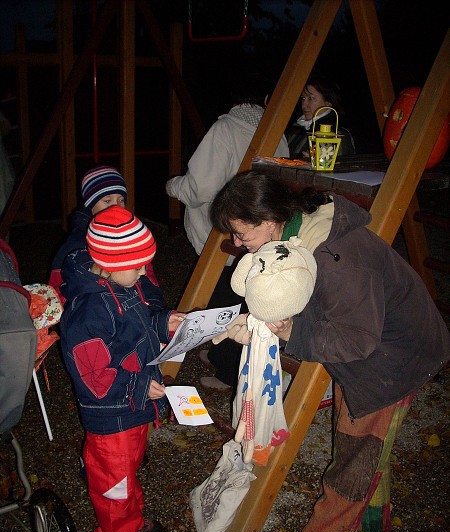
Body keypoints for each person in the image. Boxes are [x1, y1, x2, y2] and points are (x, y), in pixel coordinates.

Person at [209, 170, 449, 532]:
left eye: (240, 232)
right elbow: (299, 294)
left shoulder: (337, 257)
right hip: (374, 340)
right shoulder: (296, 235)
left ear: (268, 219)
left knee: (355, 453)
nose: (237, 243)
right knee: (370, 449)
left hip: (392, 359)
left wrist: (290, 332)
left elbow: (356, 342)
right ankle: (373, 526)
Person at [59, 205, 185, 532]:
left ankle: (130, 523)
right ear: (109, 263)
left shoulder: (119, 285)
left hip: (130, 411)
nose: (145, 272)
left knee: (127, 472)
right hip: (111, 417)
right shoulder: (89, 312)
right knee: (113, 483)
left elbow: (137, 328)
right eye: (139, 265)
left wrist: (164, 323)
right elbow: (95, 377)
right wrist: (141, 384)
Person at [166, 87, 290, 391]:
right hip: (261, 231)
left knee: (225, 295)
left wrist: (173, 186)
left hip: (221, 234)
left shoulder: (224, 129)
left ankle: (229, 369)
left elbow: (201, 188)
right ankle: (224, 353)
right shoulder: (277, 133)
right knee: (244, 293)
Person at [49, 164, 158, 304]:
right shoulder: (76, 246)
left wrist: (154, 306)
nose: (116, 207)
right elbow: (59, 292)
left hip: (134, 310)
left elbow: (146, 277)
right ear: (90, 206)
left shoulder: (131, 236)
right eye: (107, 201)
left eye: (121, 200)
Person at [286, 74, 356, 160]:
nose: (304, 105)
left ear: (328, 102)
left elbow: (344, 168)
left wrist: (317, 163)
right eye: (303, 98)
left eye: (311, 98)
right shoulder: (295, 129)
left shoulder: (338, 134)